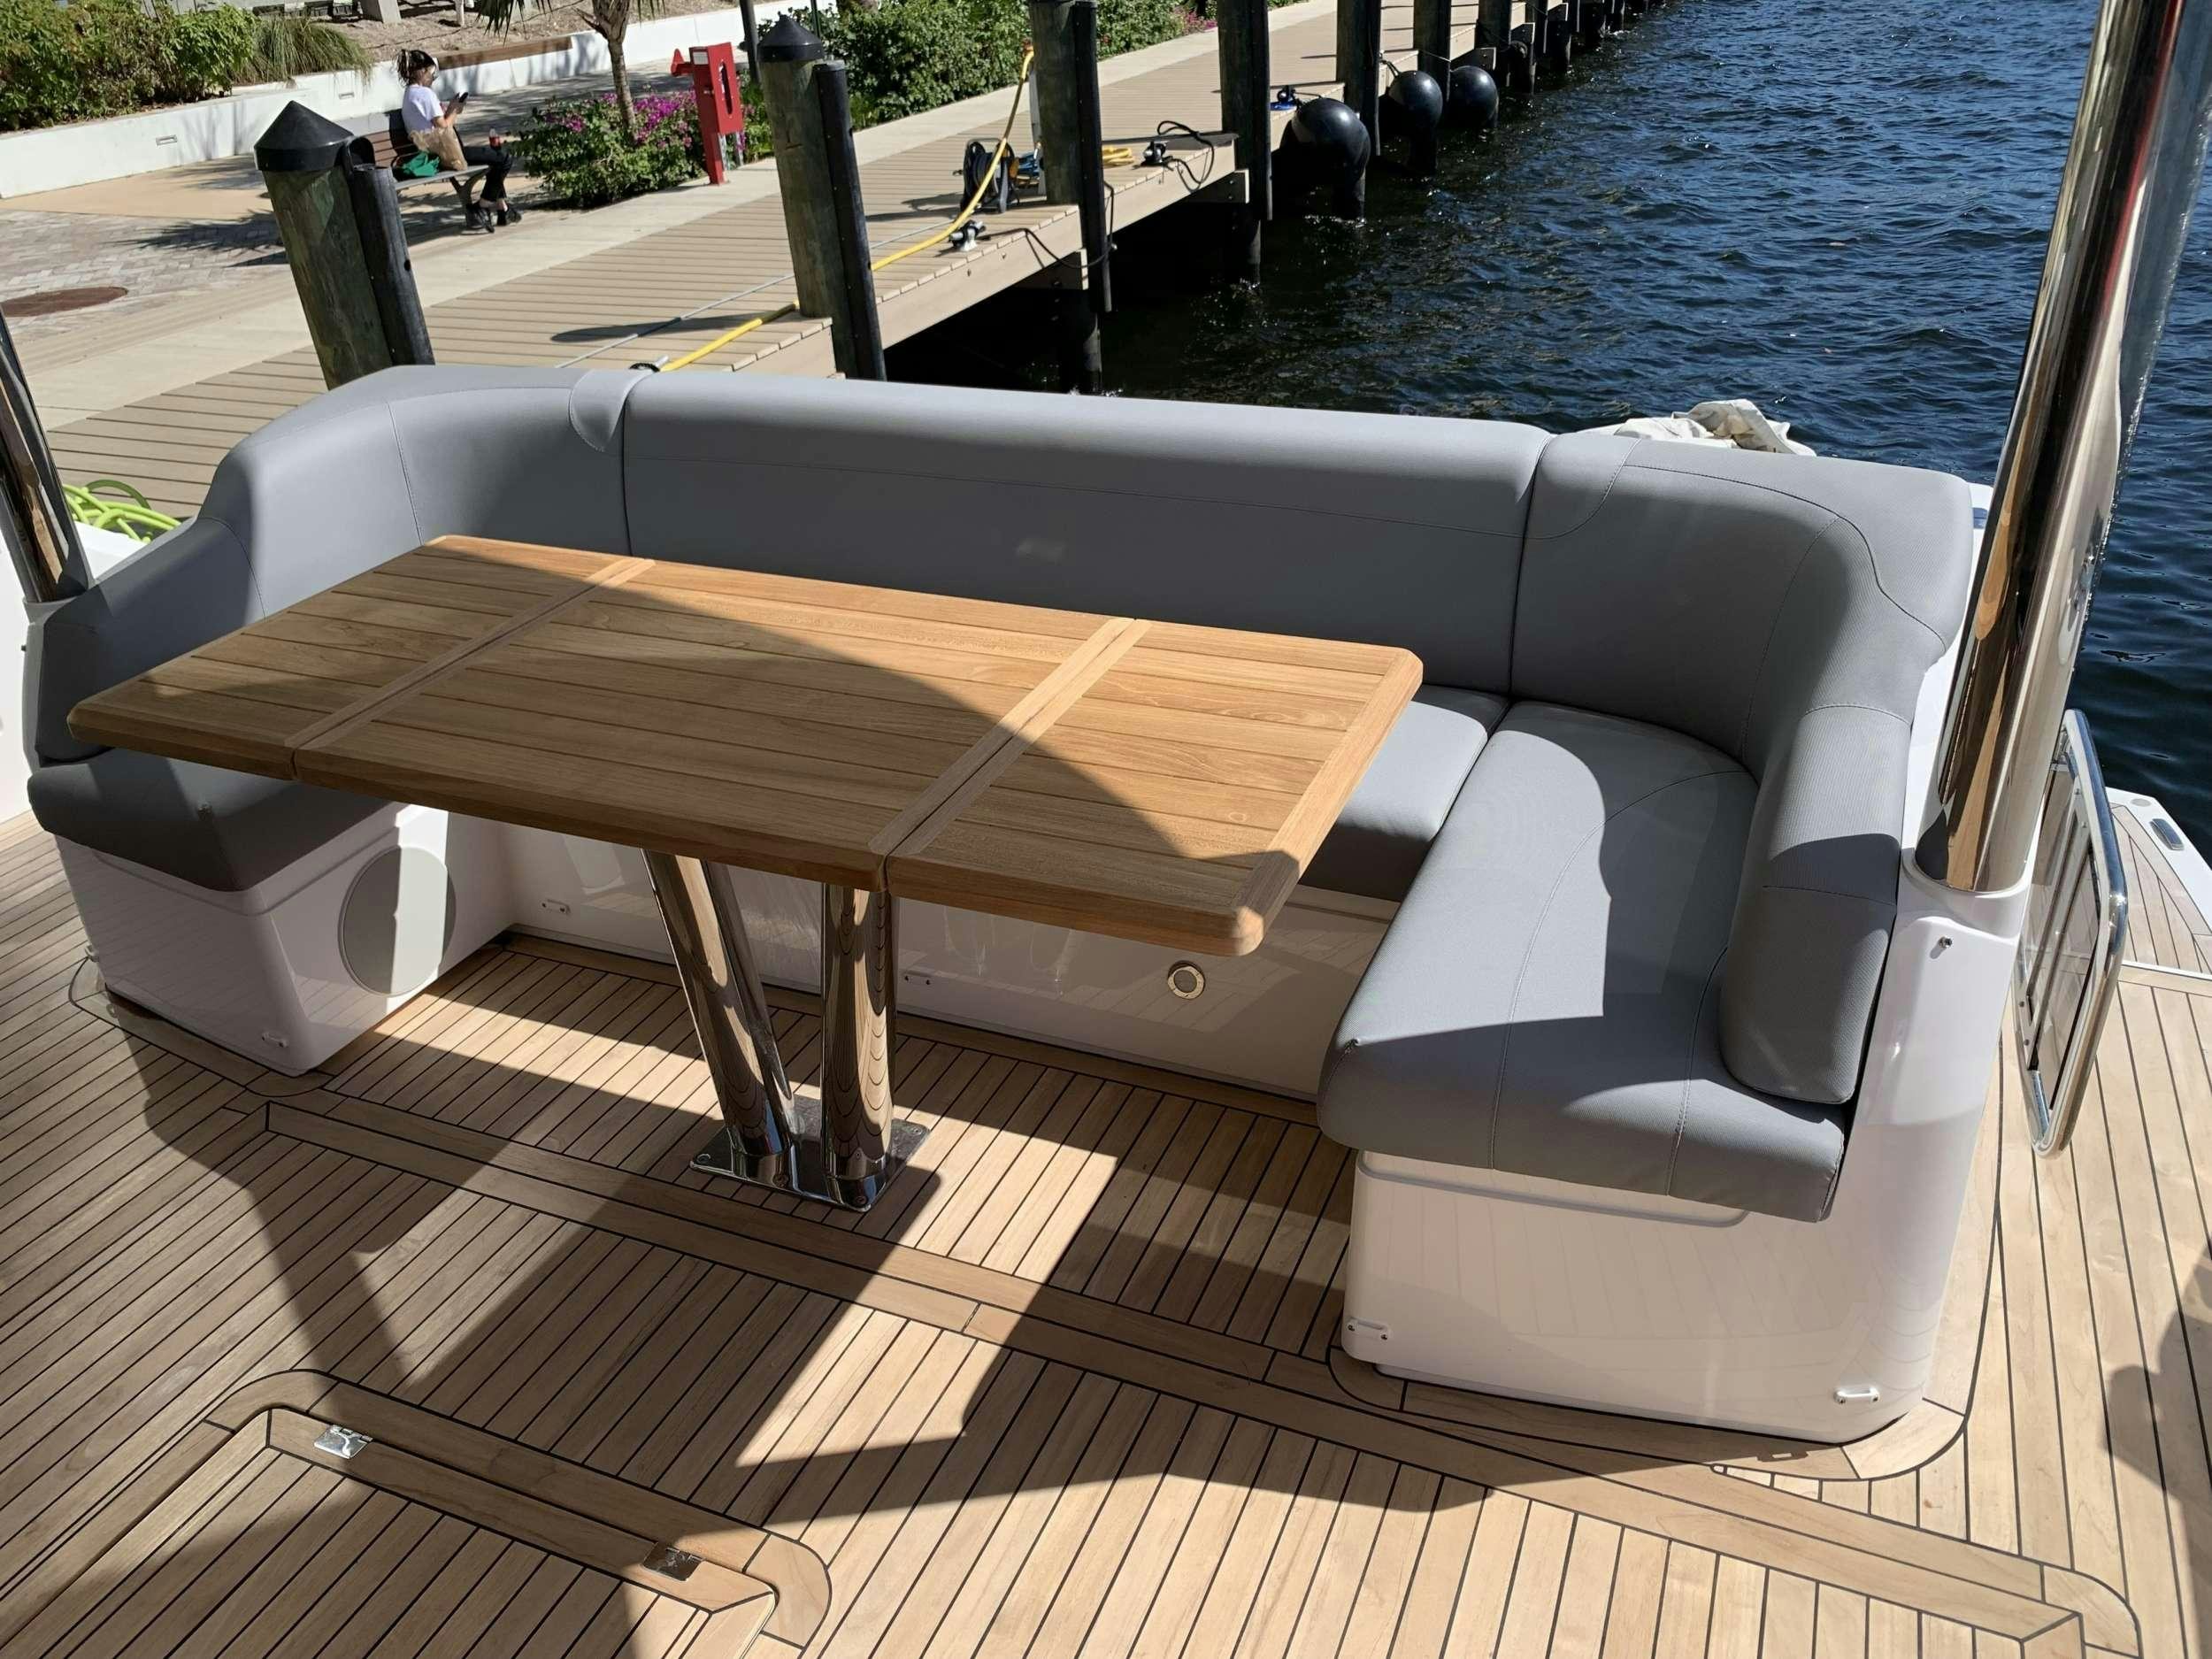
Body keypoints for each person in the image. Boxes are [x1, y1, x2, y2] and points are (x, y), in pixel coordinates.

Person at [397, 50, 520, 229]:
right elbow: (444, 126)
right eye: (432, 74)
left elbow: (436, 124)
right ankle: (482, 206)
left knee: (494, 157)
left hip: (429, 152)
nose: (433, 79)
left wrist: (451, 110)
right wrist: (455, 110)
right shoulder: (425, 94)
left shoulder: (409, 94)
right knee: (503, 159)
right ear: (422, 72)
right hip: (445, 154)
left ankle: (503, 209)